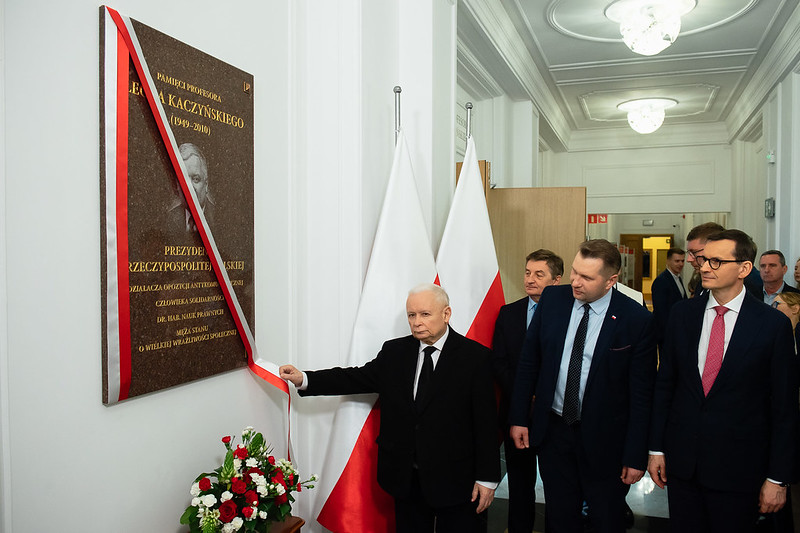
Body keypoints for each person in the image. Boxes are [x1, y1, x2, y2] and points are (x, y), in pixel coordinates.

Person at [279, 284, 500, 533]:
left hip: (456, 479)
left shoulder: (476, 358)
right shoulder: (395, 352)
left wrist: (487, 478)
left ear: (446, 314)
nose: (416, 322)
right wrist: (305, 379)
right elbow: (356, 378)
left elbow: (486, 423)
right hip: (405, 477)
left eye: (425, 314)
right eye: (411, 315)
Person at [648, 229, 798, 533]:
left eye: (716, 262)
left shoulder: (771, 325)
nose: (704, 267)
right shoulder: (682, 315)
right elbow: (666, 385)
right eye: (704, 260)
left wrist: (777, 477)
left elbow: (784, 408)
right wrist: (656, 449)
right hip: (684, 466)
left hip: (740, 470)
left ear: (743, 268)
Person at [509, 239, 657, 532]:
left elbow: (642, 394)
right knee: (560, 517)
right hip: (554, 432)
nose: (575, 282)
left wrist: (635, 453)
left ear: (610, 281)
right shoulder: (553, 301)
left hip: (606, 441)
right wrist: (518, 418)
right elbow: (529, 363)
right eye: (575, 272)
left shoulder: (635, 319)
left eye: (587, 277)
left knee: (606, 518)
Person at [492, 249, 563, 533]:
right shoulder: (508, 313)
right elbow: (499, 361)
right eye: (527, 272)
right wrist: (524, 396)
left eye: (539, 274)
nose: (530, 279)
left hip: (555, 416)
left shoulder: (569, 314)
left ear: (556, 280)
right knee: (520, 485)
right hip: (516, 413)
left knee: (558, 486)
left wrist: (542, 396)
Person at [166, 143, 216, 233]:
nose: (189, 188)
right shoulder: (167, 220)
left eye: (196, 179)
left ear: (206, 185)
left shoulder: (220, 217)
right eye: (183, 180)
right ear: (177, 186)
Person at [650, 247, 687, 350]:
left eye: (682, 261)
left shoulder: (678, 278)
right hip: (667, 333)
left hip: (677, 330)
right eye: (677, 261)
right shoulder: (661, 281)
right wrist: (669, 334)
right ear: (668, 261)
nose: (681, 264)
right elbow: (661, 312)